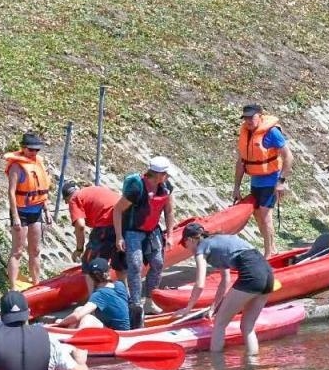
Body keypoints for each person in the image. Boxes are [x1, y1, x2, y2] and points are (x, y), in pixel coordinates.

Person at [173, 223, 275, 354]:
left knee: (219, 324)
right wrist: (214, 307)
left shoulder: (201, 248)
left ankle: (216, 369)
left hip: (252, 275)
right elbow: (224, 280)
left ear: (191, 239)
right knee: (247, 327)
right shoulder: (218, 240)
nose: (187, 248)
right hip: (268, 274)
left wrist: (188, 308)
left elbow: (200, 283)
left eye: (185, 243)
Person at [112, 156, 175, 322]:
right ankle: (135, 304)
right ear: (159, 174)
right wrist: (119, 236)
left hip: (152, 231)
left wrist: (170, 234)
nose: (167, 177)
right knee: (135, 265)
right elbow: (117, 210)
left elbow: (169, 211)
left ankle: (149, 301)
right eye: (166, 174)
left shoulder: (166, 187)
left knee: (158, 263)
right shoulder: (136, 188)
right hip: (133, 231)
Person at [234, 104, 290, 256]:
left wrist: (281, 182)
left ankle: (268, 254)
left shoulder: (272, 132)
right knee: (258, 215)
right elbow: (241, 162)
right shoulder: (246, 133)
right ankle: (272, 249)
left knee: (265, 216)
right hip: (256, 180)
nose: (248, 121)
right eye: (245, 118)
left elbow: (288, 157)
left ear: (260, 116)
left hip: (271, 179)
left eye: (251, 117)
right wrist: (236, 188)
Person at [5, 132, 51, 287]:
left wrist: (46, 209)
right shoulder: (16, 167)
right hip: (21, 212)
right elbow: (11, 193)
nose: (34, 153)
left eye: (37, 150)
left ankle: (36, 283)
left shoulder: (38, 163)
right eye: (31, 150)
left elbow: (41, 190)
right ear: (23, 148)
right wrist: (15, 216)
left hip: (36, 211)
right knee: (17, 251)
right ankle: (12, 287)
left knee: (35, 250)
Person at [63, 179, 120, 291]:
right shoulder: (91, 189)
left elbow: (80, 226)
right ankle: (124, 294)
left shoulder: (74, 199)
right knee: (118, 263)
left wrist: (79, 249)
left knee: (89, 261)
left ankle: (93, 298)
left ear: (67, 197)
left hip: (107, 222)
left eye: (65, 201)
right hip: (124, 219)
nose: (66, 204)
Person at [55, 258, 132, 330]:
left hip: (118, 333)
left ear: (91, 278)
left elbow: (76, 316)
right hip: (124, 327)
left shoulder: (99, 295)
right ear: (108, 272)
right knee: (79, 309)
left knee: (88, 319)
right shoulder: (119, 285)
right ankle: (71, 332)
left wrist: (61, 322)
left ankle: (74, 339)